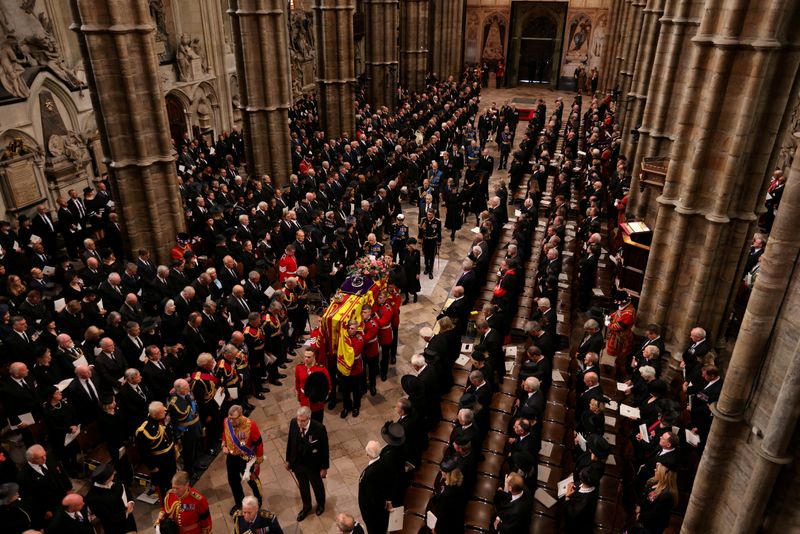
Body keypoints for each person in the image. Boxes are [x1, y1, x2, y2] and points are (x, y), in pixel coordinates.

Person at [285, 406, 329, 521]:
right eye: (299, 419)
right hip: (297, 464)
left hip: (313, 465)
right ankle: (306, 507)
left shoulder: (319, 428)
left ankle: (320, 504)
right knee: (303, 486)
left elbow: (325, 449)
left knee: (317, 486)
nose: (300, 422)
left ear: (309, 418)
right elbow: (290, 441)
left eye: (303, 420)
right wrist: (288, 460)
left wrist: (324, 468)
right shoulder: (294, 423)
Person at [17, 444, 71, 529]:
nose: (44, 458)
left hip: (63, 497)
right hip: (49, 507)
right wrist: (43, 512)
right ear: (31, 459)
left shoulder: (50, 457)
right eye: (40, 457)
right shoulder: (23, 476)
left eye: (44, 455)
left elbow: (62, 473)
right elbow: (28, 498)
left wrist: (68, 489)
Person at [222, 404, 264, 515]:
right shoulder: (226, 421)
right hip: (231, 458)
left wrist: (258, 461)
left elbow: (259, 444)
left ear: (240, 416)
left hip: (246, 459)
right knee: (233, 481)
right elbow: (224, 434)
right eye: (229, 418)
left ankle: (258, 502)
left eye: (233, 419)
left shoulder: (251, 425)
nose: (230, 421)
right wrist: (224, 445)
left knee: (253, 482)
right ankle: (239, 503)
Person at [134, 401, 177, 500]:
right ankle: (166, 503)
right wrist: (152, 467)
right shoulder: (143, 431)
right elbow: (144, 452)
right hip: (159, 461)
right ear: (154, 415)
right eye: (162, 413)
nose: (165, 413)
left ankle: (174, 497)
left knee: (172, 478)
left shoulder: (161, 420)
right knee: (163, 485)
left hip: (169, 456)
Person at [85, 463, 137, 534]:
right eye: (112, 474)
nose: (114, 473)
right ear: (106, 480)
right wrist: (126, 513)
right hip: (116, 528)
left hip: (129, 519)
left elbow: (125, 490)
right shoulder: (93, 499)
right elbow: (108, 518)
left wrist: (130, 502)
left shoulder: (115, 478)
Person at [358, 440, 392, 534]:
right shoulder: (384, 461)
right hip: (382, 504)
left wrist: (384, 504)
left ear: (367, 454)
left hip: (373, 513)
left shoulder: (369, 474)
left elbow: (374, 497)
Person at [636, 463, 678, 534]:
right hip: (642, 522)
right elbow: (644, 495)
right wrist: (639, 505)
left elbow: (655, 515)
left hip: (651, 528)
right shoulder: (653, 482)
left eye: (657, 469)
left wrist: (640, 516)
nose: (654, 470)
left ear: (664, 474)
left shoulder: (667, 495)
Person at [429, 456, 466, 533]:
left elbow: (442, 517)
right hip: (457, 517)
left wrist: (436, 530)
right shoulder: (459, 480)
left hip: (448, 524)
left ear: (448, 475)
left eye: (442, 471)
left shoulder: (446, 495)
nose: (440, 472)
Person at [295, 348, 331, 421]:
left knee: (318, 421)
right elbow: (297, 382)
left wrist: (323, 397)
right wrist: (298, 394)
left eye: (309, 357)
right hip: (304, 399)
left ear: (314, 357)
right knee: (305, 421)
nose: (306, 359)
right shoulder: (299, 367)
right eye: (305, 356)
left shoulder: (321, 369)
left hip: (317, 402)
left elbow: (328, 385)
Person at [605, 290, 636, 358]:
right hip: (616, 334)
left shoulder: (628, 313)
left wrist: (608, 324)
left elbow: (619, 327)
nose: (617, 303)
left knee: (618, 355)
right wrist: (611, 316)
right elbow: (618, 312)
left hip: (621, 337)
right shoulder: (625, 305)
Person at [419, 208, 441, 278]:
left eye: (430, 215)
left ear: (433, 214)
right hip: (425, 240)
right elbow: (420, 232)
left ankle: (430, 270)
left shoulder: (437, 221)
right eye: (428, 214)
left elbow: (439, 232)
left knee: (432, 256)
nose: (429, 216)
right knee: (426, 255)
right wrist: (420, 239)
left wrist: (439, 242)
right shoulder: (423, 220)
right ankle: (426, 267)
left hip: (433, 241)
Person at [402, 237, 421, 303]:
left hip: (413, 271)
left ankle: (415, 295)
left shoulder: (417, 252)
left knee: (413, 284)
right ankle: (406, 298)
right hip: (406, 270)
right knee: (406, 284)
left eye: (408, 245)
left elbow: (418, 263)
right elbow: (403, 259)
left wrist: (418, 273)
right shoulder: (404, 250)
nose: (407, 246)